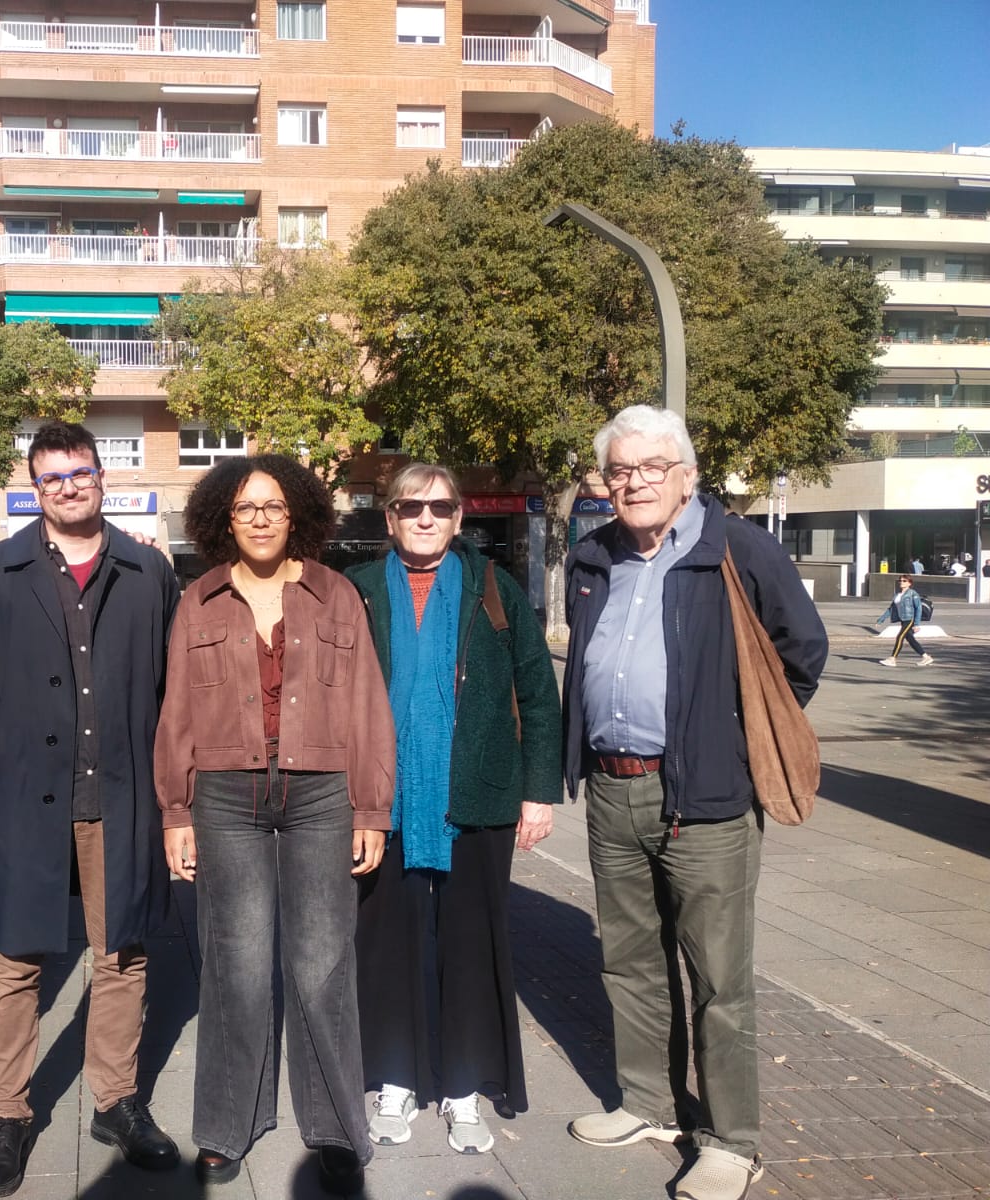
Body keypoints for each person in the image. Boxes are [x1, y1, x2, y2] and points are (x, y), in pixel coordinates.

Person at [562, 406, 827, 1200]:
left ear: (685, 475)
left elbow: (802, 652)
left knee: (719, 981)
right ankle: (647, 1102)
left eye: (649, 468)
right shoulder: (593, 554)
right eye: (619, 470)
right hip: (613, 788)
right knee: (630, 964)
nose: (632, 482)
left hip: (705, 801)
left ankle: (730, 1141)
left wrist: (728, 740)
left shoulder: (736, 549)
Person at [0, 422, 181, 1198]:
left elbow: (167, 687)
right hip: (28, 796)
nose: (69, 487)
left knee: (122, 953)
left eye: (80, 472)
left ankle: (115, 1100)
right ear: (34, 487)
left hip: (122, 793)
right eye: (52, 479)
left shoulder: (146, 571)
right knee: (16, 959)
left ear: (102, 477)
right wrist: (18, 749)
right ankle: (10, 1114)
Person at [154, 454, 396, 1197]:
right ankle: (228, 1125)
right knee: (236, 964)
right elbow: (177, 713)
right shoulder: (198, 598)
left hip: (322, 793)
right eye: (245, 508)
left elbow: (365, 706)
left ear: (298, 515)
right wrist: (176, 811)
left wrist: (371, 809)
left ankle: (331, 1129)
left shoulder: (337, 596)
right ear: (224, 518)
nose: (260, 518)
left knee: (322, 966)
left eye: (273, 506)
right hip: (224, 798)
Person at [345, 464, 562, 1156]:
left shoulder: (494, 590)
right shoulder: (359, 593)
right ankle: (395, 1079)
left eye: (440, 506)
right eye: (411, 507)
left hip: (478, 798)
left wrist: (538, 791)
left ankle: (465, 1088)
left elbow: (538, 691)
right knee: (386, 945)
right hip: (385, 802)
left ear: (461, 517)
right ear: (390, 518)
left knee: (472, 945)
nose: (426, 517)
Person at [874, 573, 933, 667]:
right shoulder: (897, 595)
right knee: (910, 639)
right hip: (903, 619)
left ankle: (892, 659)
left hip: (910, 619)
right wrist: (881, 620)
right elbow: (891, 608)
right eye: (900, 580)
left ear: (909, 583)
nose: (901, 582)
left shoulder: (913, 593)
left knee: (900, 637)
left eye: (904, 581)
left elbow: (918, 608)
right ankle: (926, 657)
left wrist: (917, 623)